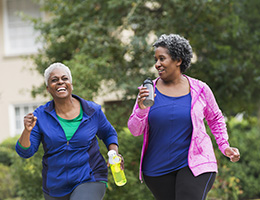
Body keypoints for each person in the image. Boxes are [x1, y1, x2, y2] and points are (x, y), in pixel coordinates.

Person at [127, 34, 240, 200]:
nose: (157, 64)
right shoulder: (148, 91)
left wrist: (224, 146)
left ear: (178, 60)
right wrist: (142, 109)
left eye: (162, 59)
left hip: (195, 164)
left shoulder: (200, 89)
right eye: (156, 59)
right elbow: (135, 130)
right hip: (157, 169)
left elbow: (215, 119)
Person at [16, 62, 123, 200]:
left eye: (64, 78)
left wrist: (113, 153)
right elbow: (25, 152)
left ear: (71, 84)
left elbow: (109, 134)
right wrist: (27, 131)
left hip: (90, 177)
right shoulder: (41, 116)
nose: (60, 82)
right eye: (54, 80)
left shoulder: (92, 111)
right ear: (48, 88)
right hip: (54, 186)